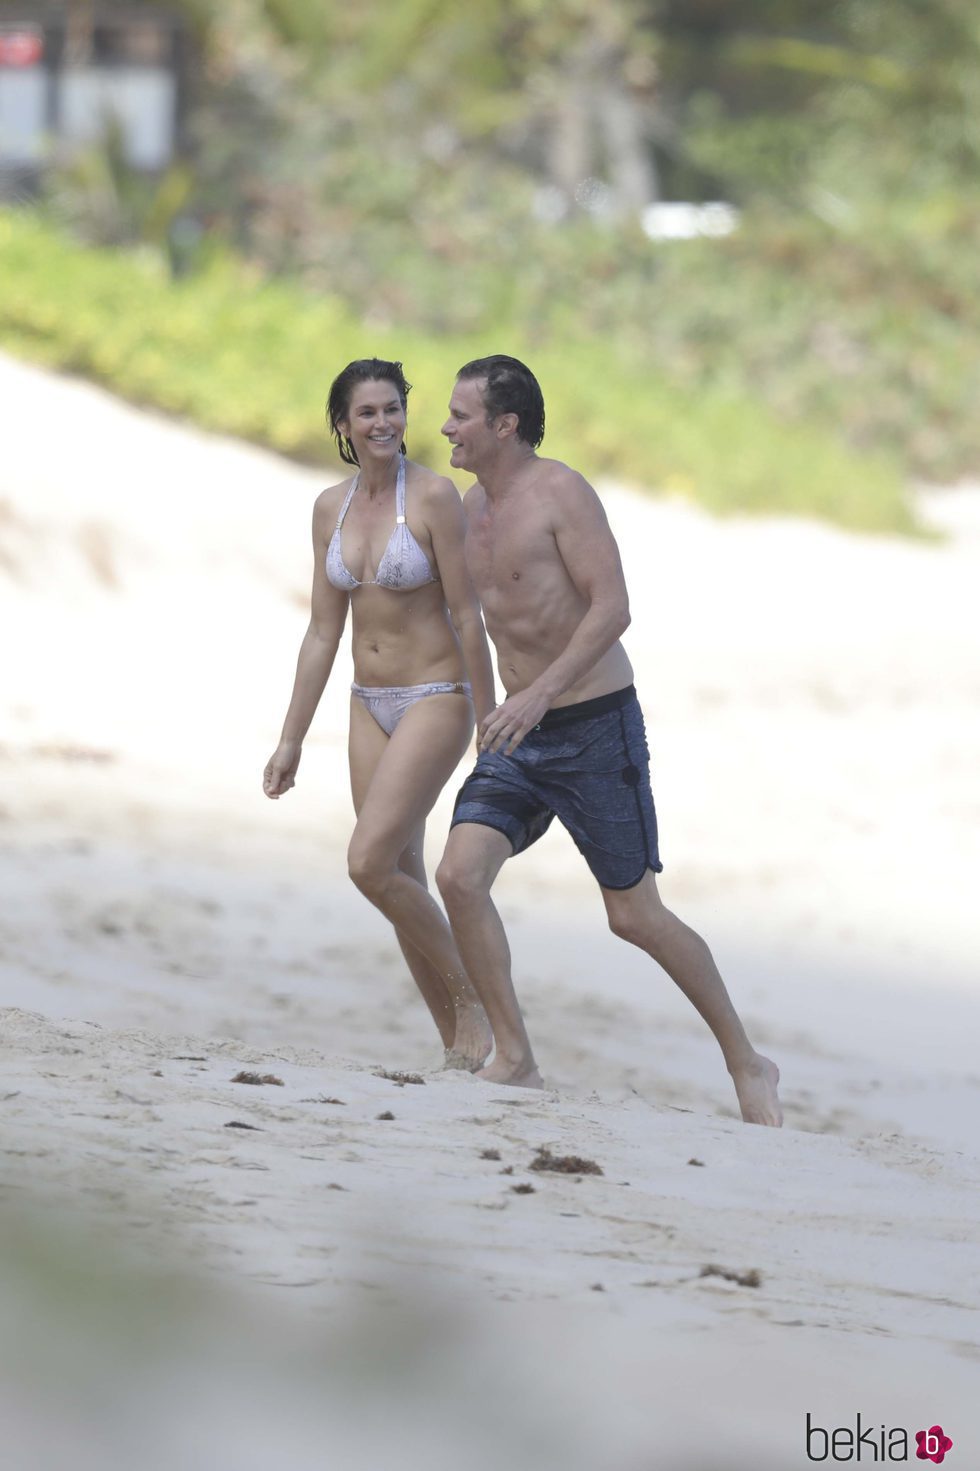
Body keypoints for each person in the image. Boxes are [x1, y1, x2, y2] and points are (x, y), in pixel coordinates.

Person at [434, 355, 782, 1124]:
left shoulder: (562, 493)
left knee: (635, 916)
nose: (447, 427)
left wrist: (540, 694)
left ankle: (748, 1063)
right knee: (459, 875)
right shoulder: (467, 507)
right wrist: (490, 709)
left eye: (460, 414)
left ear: (505, 423)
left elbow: (612, 609)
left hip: (592, 725)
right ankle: (515, 1057)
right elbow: (476, 621)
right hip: (516, 733)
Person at [264, 358, 495, 1070]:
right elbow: (322, 632)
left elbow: (465, 611)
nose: (383, 422)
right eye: (367, 412)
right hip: (367, 702)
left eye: (393, 408)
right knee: (399, 873)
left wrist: (492, 722)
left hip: (435, 695)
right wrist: (290, 738)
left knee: (366, 863)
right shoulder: (327, 508)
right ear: (343, 424)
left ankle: (480, 999)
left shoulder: (433, 497)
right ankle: (457, 1041)